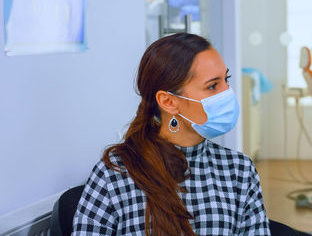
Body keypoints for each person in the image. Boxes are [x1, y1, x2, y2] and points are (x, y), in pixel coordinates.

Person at [72, 33, 271, 235]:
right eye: (212, 86)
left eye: (226, 80)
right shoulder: (114, 173)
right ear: (168, 102)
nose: (228, 92)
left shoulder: (239, 170)